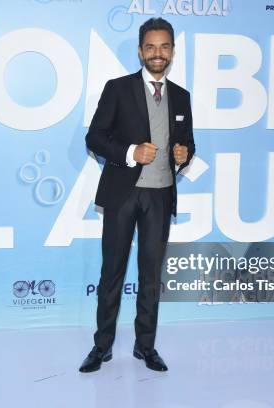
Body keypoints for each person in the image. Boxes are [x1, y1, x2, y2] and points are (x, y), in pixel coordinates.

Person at [79, 17, 195, 373]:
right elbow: (94, 138)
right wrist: (131, 152)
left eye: (164, 47)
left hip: (160, 197)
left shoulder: (181, 96)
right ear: (140, 51)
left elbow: (188, 141)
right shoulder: (118, 88)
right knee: (111, 272)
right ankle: (102, 347)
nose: (157, 53)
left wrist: (184, 153)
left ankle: (145, 347)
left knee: (149, 277)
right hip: (122, 196)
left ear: (172, 51)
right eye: (150, 47)